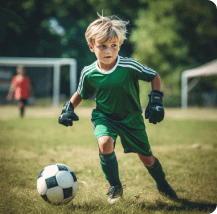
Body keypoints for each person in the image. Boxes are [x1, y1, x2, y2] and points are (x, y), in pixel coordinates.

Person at [58, 14, 178, 205]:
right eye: (103, 46)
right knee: (105, 142)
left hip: (131, 118)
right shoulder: (89, 73)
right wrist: (68, 108)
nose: (109, 51)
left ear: (120, 45)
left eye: (114, 46)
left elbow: (154, 76)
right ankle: (115, 186)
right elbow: (81, 92)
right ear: (91, 47)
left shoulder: (129, 66)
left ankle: (162, 184)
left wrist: (156, 100)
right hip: (105, 117)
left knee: (147, 159)